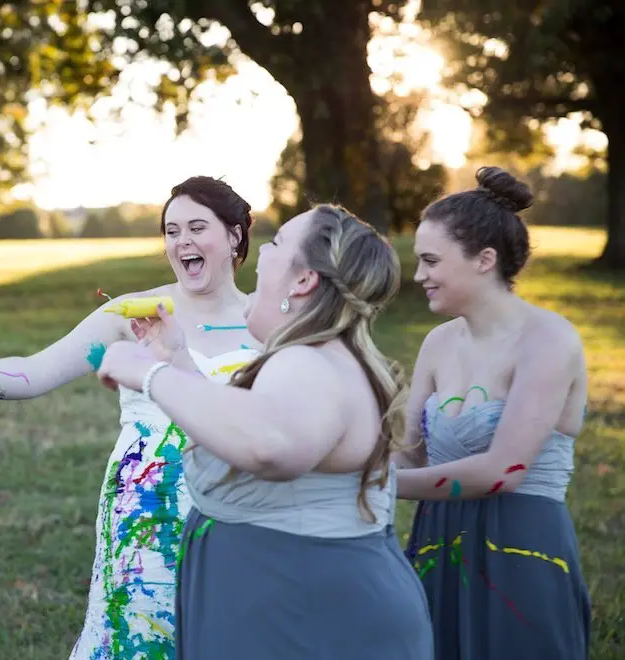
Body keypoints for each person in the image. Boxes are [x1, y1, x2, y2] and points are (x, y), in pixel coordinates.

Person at [0, 176, 262, 659]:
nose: (182, 242)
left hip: (237, 513)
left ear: (234, 237)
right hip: (143, 516)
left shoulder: (267, 323)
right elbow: (34, 372)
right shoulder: (133, 313)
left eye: (197, 228)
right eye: (171, 231)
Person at [95, 204, 434, 659]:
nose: (262, 253)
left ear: (302, 280)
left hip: (304, 616)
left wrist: (151, 376)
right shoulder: (313, 355)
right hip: (289, 604)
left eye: (276, 244)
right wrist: (174, 360)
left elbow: (272, 445)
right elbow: (254, 419)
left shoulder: (307, 360)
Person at [393, 166, 591, 659]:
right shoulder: (438, 344)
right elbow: (407, 457)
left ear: (484, 260)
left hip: (520, 554)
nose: (419, 276)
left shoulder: (549, 340)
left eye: (431, 261)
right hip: (437, 543)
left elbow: (504, 470)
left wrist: (375, 484)